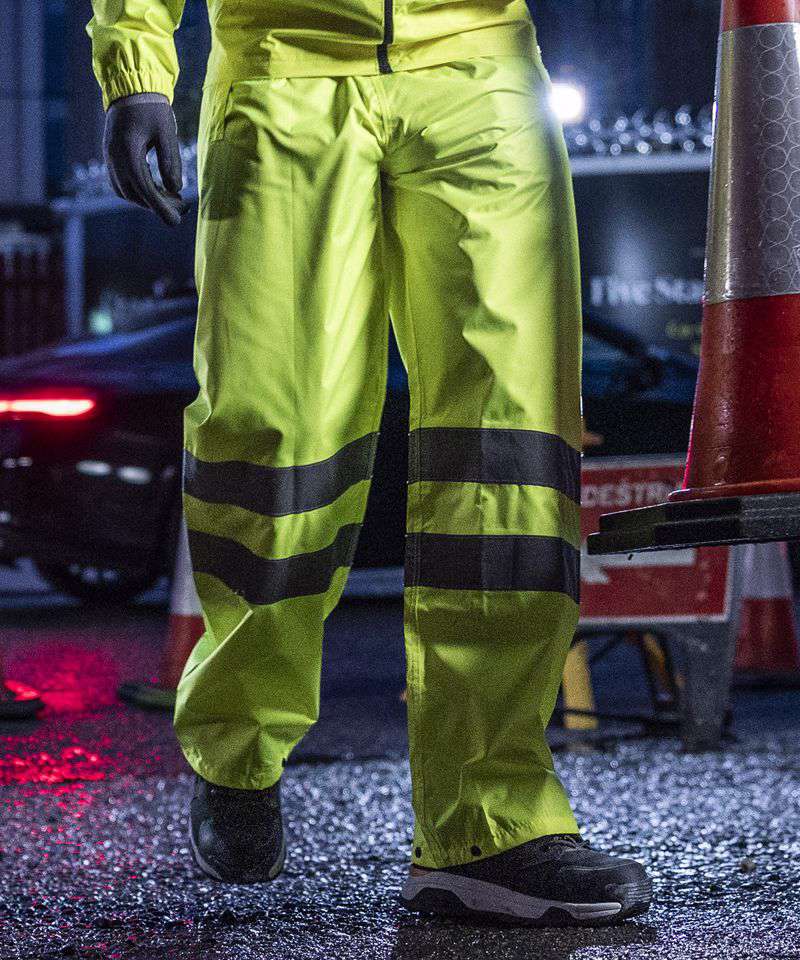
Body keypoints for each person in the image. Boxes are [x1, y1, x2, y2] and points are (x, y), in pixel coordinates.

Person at [88, 0, 652, 925]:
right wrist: (136, 65)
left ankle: (490, 822)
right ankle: (238, 745)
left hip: (481, 66)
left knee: (504, 453)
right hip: (284, 65)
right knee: (273, 438)